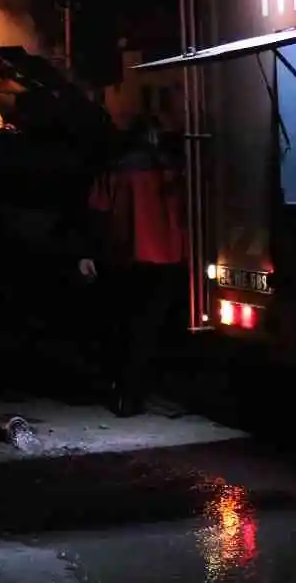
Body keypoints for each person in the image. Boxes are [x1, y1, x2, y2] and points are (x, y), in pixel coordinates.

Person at [77, 114, 187, 417]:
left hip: (125, 259)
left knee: (124, 325)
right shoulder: (175, 170)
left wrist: (88, 254)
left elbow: (97, 213)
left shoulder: (115, 170)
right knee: (149, 329)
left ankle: (125, 393)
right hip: (168, 258)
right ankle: (138, 393)